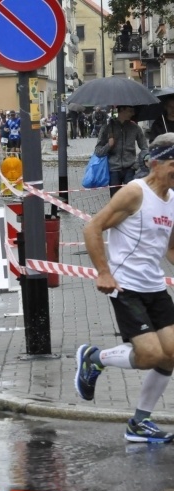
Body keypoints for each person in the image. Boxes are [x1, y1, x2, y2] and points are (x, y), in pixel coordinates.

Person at [74, 133, 174, 443]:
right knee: (150, 355)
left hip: (154, 286)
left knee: (171, 355)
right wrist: (103, 272)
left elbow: (170, 248)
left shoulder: (173, 199)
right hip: (125, 285)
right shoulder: (134, 193)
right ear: (155, 164)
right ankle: (94, 359)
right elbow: (92, 226)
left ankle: (139, 424)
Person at [94, 105, 149, 197]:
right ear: (121, 110)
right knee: (116, 200)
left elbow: (145, 148)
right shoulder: (107, 128)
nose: (133, 113)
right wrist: (109, 145)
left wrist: (136, 163)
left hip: (130, 169)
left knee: (131, 198)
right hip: (113, 170)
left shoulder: (135, 128)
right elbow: (98, 151)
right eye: (130, 110)